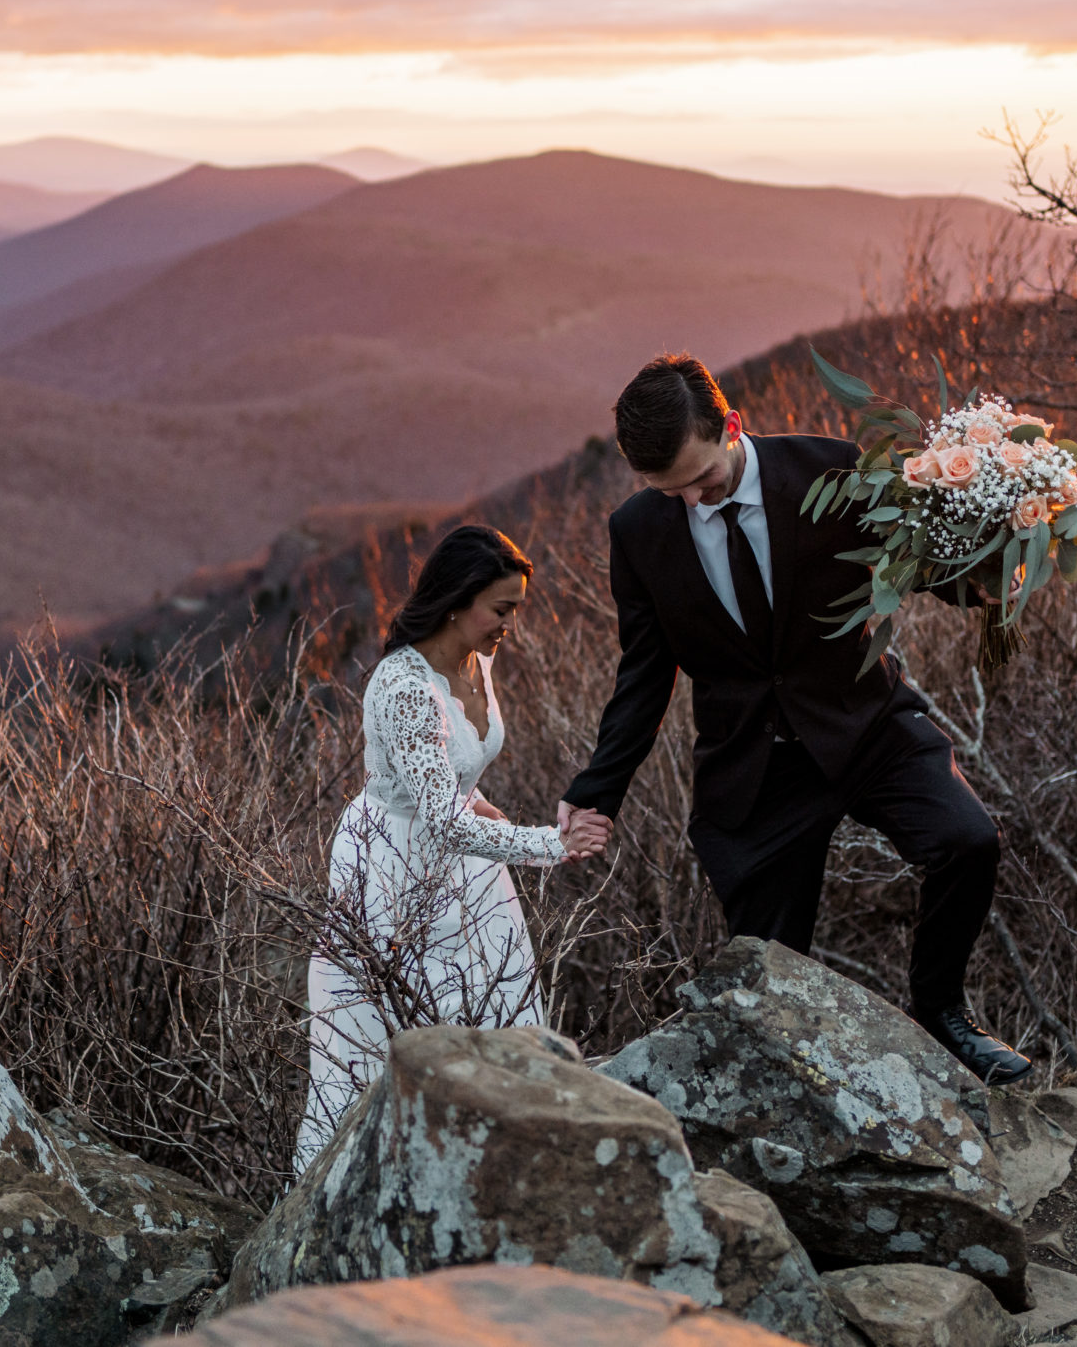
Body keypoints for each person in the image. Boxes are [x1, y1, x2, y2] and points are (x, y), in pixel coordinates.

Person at [558, 354, 1031, 1084]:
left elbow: (926, 568)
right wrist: (598, 790)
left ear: (733, 428)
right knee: (766, 976)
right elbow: (645, 674)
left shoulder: (834, 470)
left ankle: (943, 1015)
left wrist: (996, 564)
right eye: (669, 489)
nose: (692, 500)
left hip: (864, 722)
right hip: (753, 767)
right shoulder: (638, 532)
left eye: (703, 480)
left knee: (966, 842)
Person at [297, 525, 610, 1173]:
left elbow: (453, 775)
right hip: (394, 866)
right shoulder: (404, 686)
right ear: (457, 602)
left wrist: (481, 798)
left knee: (493, 1022)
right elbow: (437, 818)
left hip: (467, 866)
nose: (509, 625)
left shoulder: (478, 657)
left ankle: (494, 1174)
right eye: (502, 609)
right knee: (389, 1045)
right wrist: (549, 844)